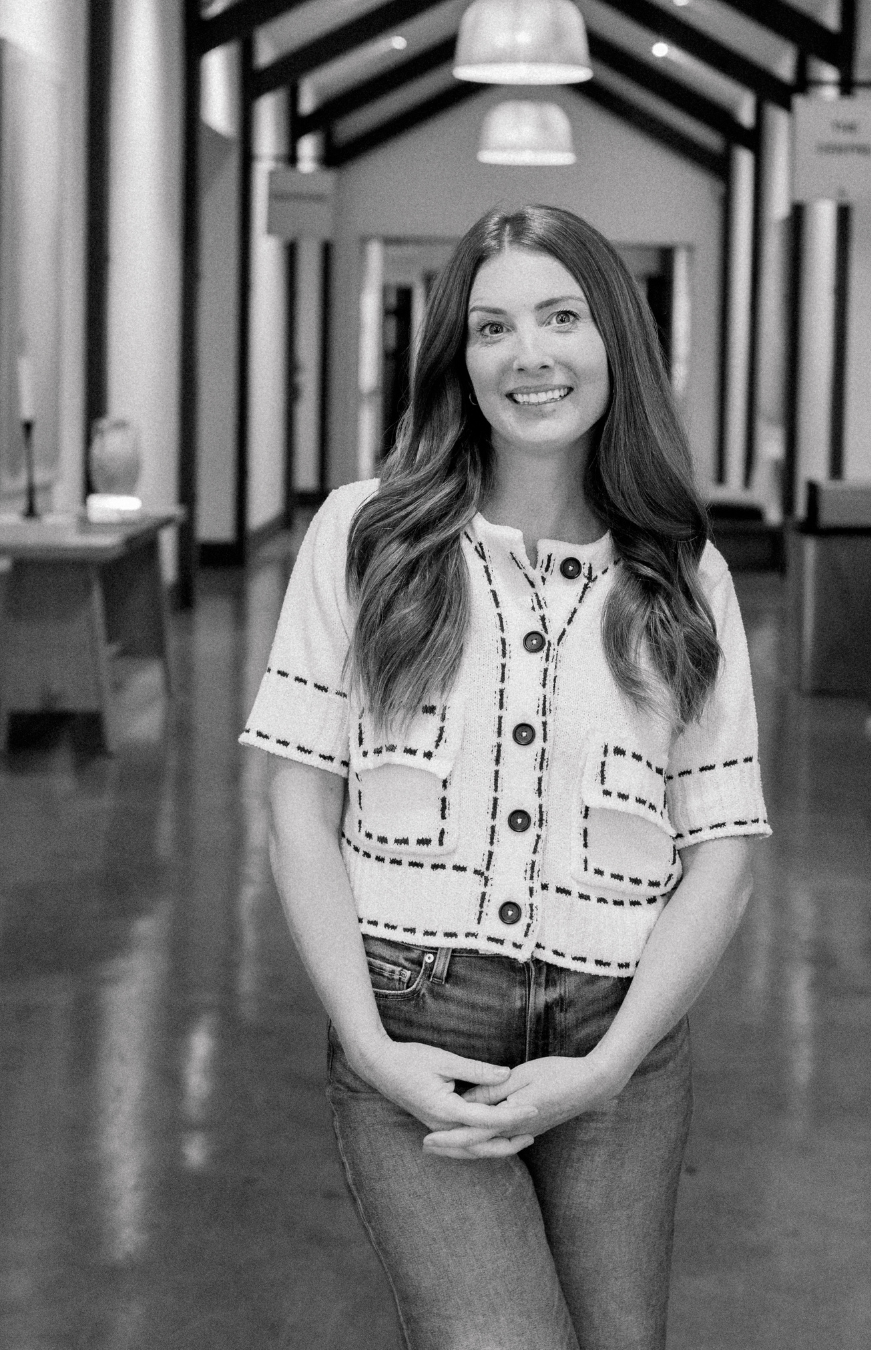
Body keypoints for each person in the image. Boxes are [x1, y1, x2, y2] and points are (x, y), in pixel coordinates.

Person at [240, 203, 770, 1350]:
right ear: (458, 358)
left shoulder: (683, 572)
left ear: (614, 340)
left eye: (561, 316)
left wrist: (613, 1064)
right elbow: (298, 809)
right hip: (415, 1023)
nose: (528, 355)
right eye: (491, 327)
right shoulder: (366, 535)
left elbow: (721, 853)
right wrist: (372, 1050)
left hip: (618, 1034)